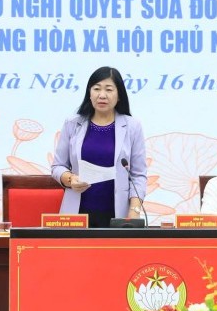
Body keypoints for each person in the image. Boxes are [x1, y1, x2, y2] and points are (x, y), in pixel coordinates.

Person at [51, 66, 147, 228]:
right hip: (77, 214)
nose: (102, 95)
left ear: (119, 95)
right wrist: (70, 179)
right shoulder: (72, 123)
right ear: (89, 93)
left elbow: (138, 175)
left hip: (118, 215)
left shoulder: (132, 126)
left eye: (109, 89)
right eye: (96, 89)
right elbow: (57, 166)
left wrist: (134, 210)